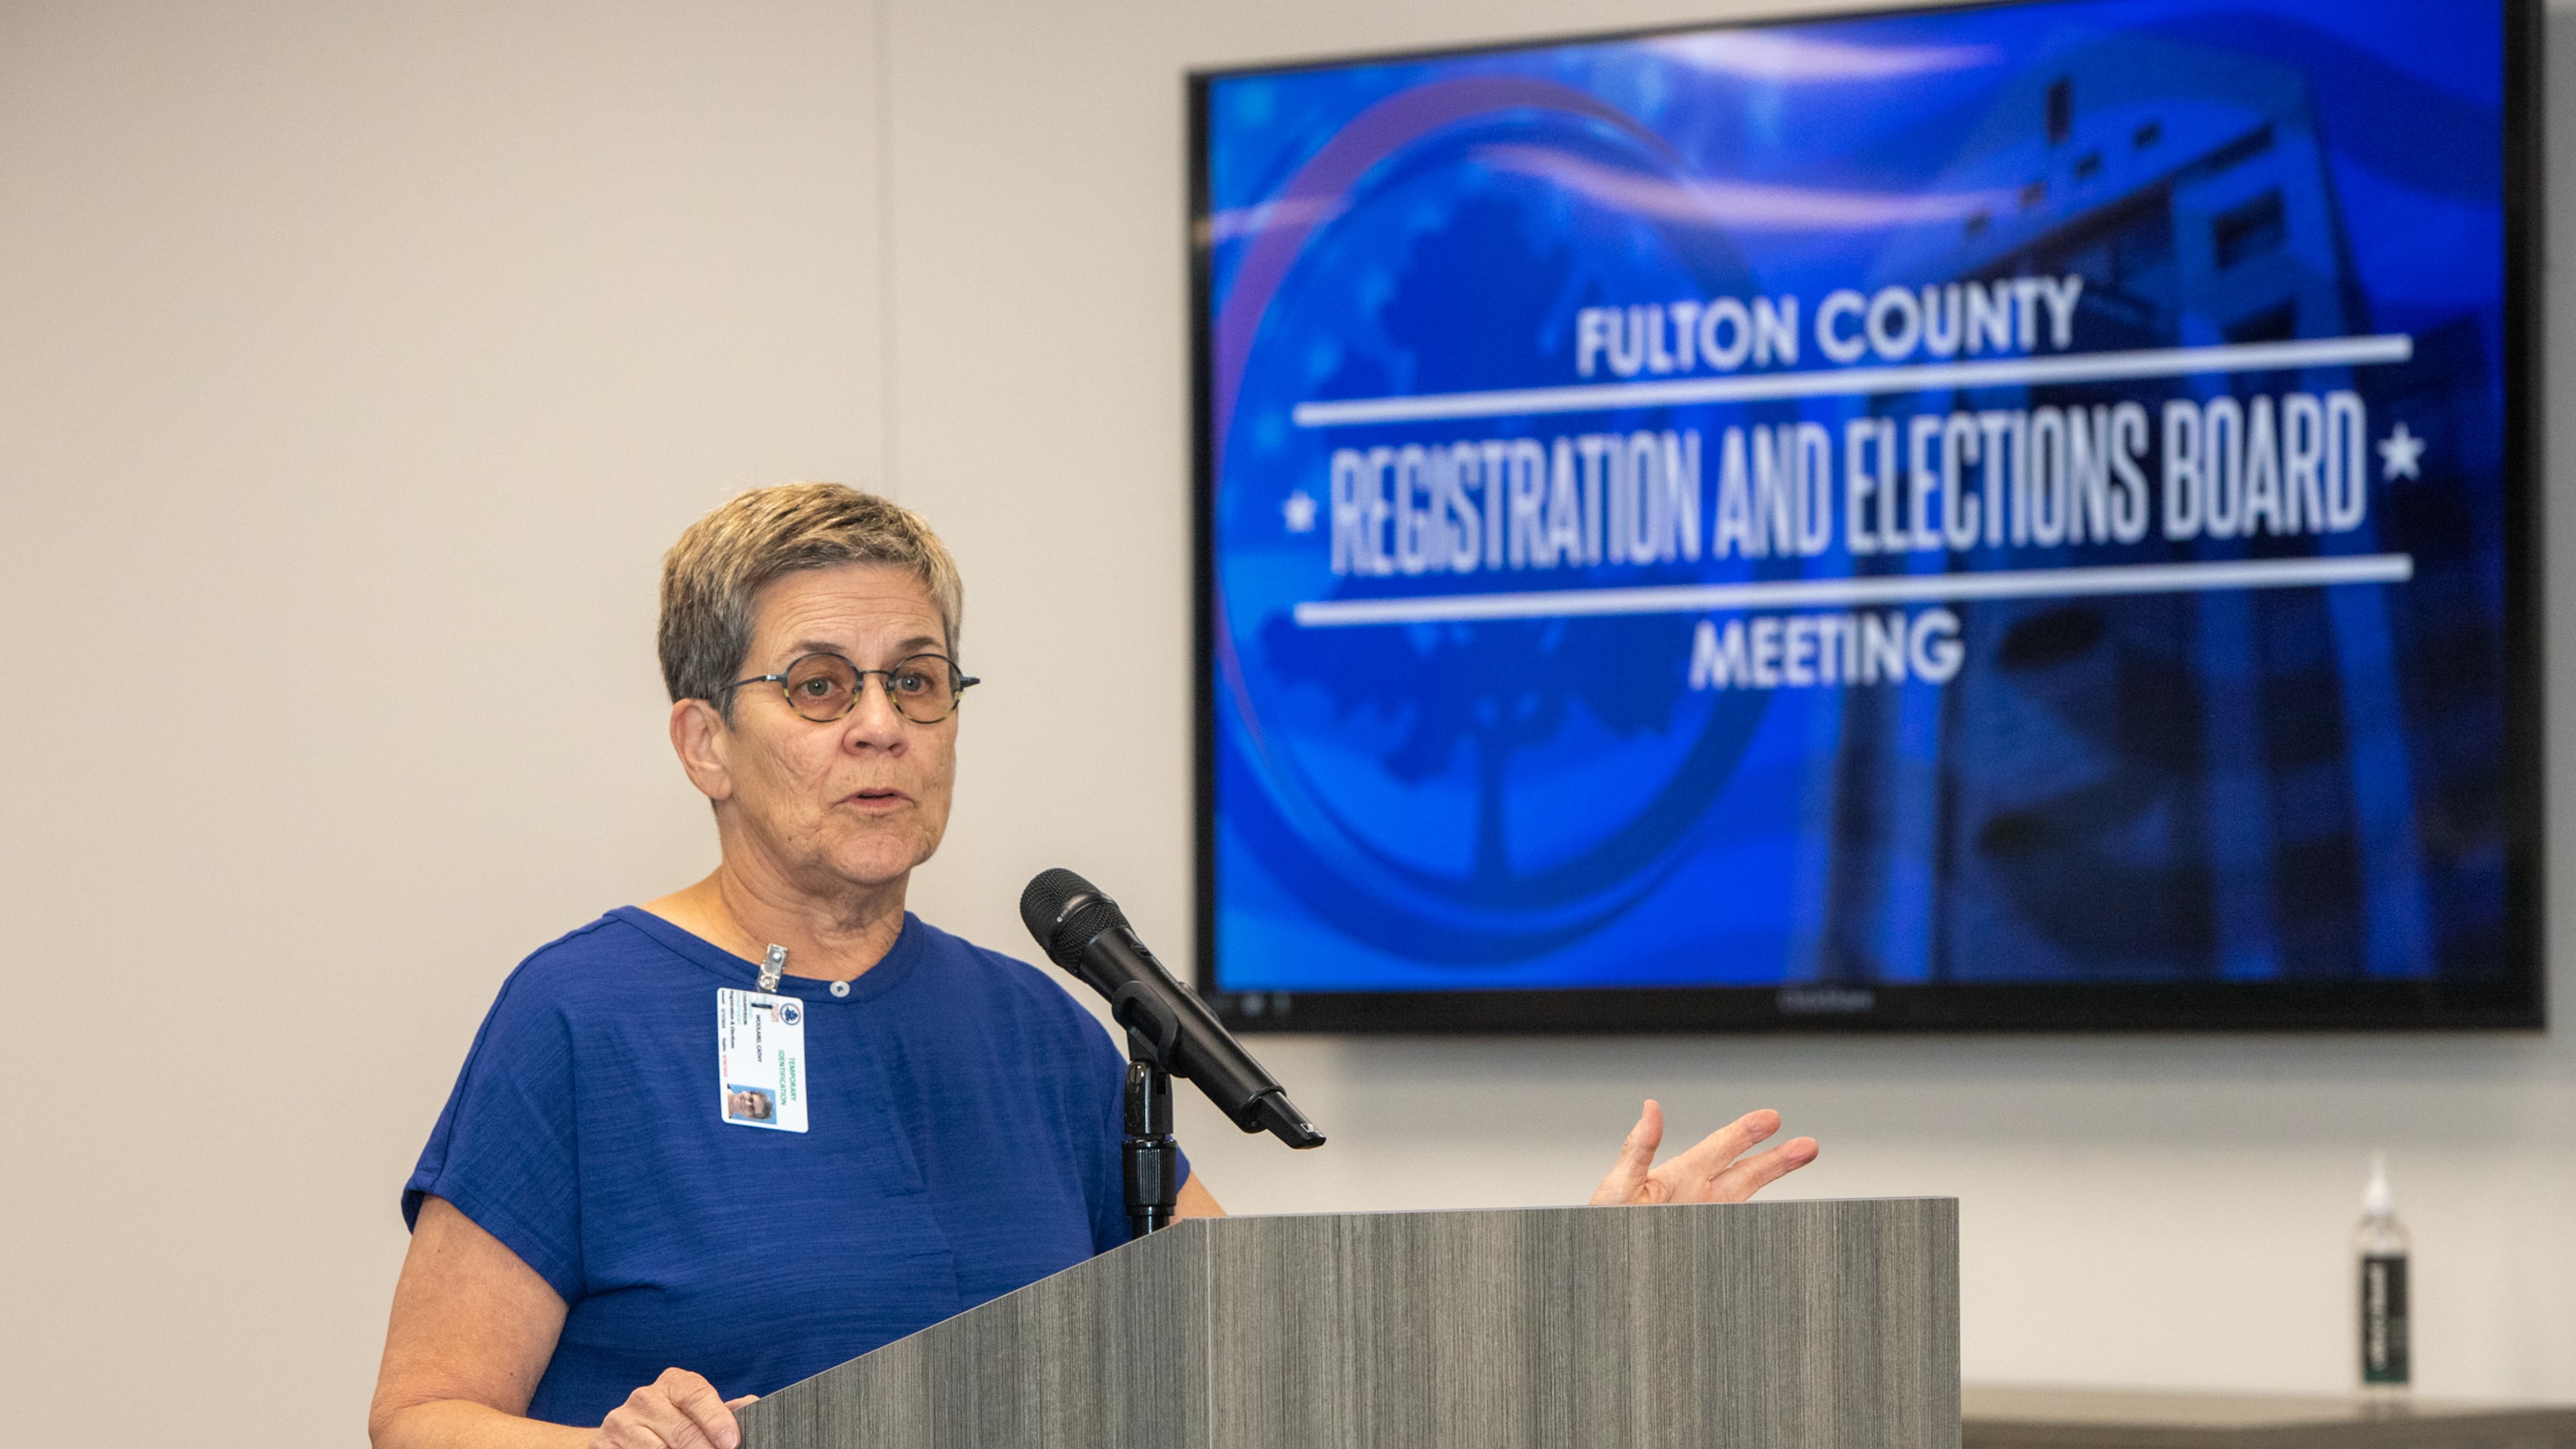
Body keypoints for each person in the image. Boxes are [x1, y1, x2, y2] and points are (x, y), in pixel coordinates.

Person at [368, 484, 1819, 1449]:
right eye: (820, 685)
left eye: (919, 681)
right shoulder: (581, 1014)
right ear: (704, 742)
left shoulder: (1043, 1028)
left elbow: (1282, 1357)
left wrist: (1589, 1277)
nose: (881, 725)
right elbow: (422, 1414)